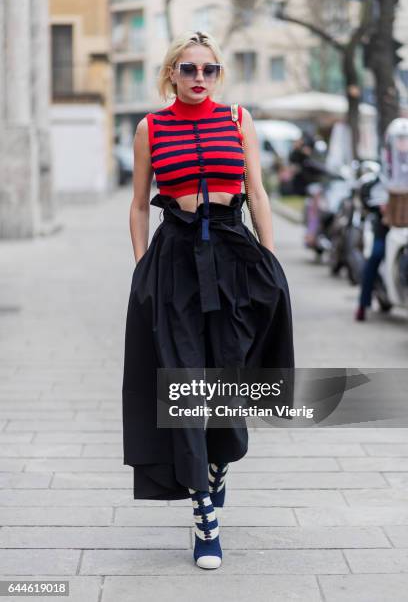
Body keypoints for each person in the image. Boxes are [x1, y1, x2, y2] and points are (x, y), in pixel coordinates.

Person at [121, 30, 295, 570]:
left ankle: (217, 467)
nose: (199, 78)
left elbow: (259, 193)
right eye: (189, 69)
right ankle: (204, 518)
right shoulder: (151, 126)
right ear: (171, 72)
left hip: (234, 255)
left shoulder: (239, 119)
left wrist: (269, 259)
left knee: (229, 377)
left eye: (209, 69)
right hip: (174, 260)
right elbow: (137, 205)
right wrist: (142, 268)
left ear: (219, 74)